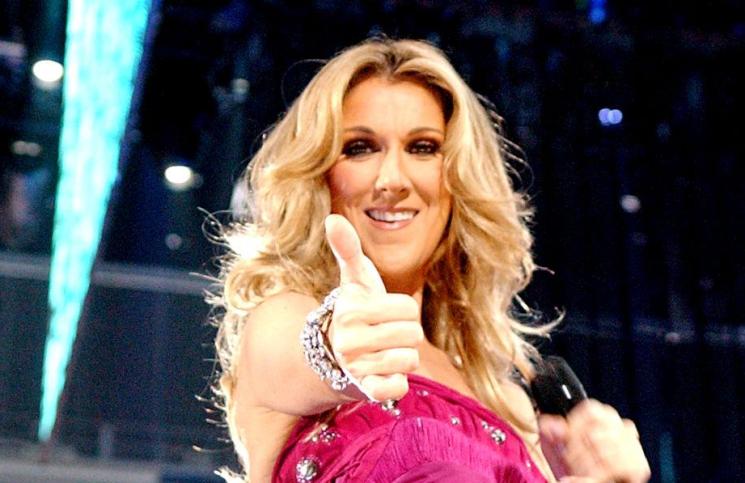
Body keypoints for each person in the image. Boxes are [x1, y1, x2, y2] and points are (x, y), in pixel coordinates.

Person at [211, 38, 650, 482]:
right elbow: (298, 351)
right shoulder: (281, 322)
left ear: (458, 179)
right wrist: (335, 344)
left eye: (422, 147)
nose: (392, 179)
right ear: (318, 176)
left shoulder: (509, 405)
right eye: (360, 147)